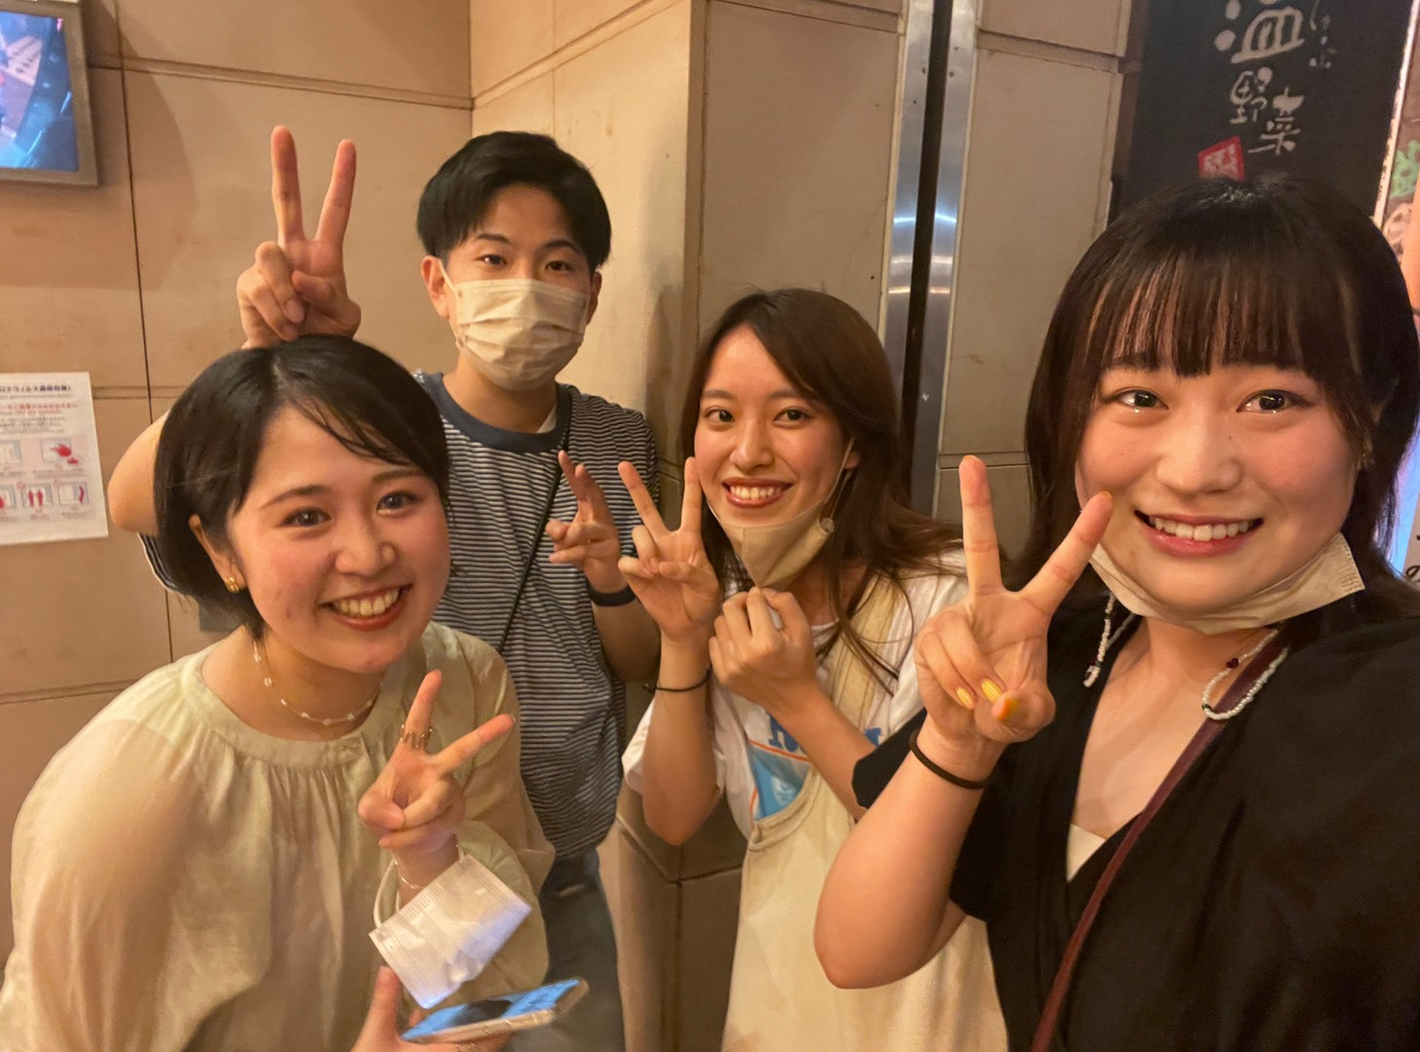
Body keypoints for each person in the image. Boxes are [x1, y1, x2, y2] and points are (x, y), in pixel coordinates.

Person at [815, 175, 1420, 1050]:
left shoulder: (1411, 707)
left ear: (1370, 420)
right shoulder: (1062, 658)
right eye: (1140, 397)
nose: (1194, 469)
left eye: (1272, 400)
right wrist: (958, 743)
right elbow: (858, 951)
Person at [106, 128, 659, 1050]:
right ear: (440, 283)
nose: (527, 286)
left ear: (592, 291)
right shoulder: (381, 425)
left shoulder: (621, 440)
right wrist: (270, 363)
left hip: (562, 854)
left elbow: (638, 659)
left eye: (557, 263)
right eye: (494, 259)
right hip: (397, 861)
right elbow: (136, 502)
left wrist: (609, 581)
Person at [3, 337, 551, 1051]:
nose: (368, 555)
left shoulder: (466, 684)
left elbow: (485, 994)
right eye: (306, 516)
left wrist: (430, 865)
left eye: (397, 499)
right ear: (221, 550)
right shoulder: (128, 796)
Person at [617, 289, 1006, 1051]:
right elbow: (673, 817)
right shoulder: (728, 601)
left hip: (924, 1013)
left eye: (791, 415)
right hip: (779, 1004)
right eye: (720, 415)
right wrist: (683, 639)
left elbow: (941, 854)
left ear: (854, 443)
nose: (747, 452)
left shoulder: (947, 597)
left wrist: (796, 700)